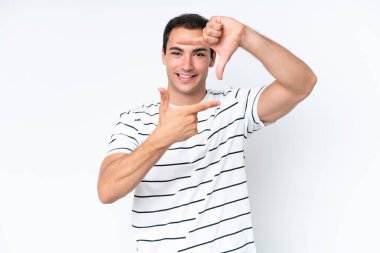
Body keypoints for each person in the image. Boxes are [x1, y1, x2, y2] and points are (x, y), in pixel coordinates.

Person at [97, 14, 317, 253]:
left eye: (199, 54)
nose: (187, 65)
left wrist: (245, 36)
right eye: (177, 52)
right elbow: (107, 190)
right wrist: (162, 138)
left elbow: (302, 84)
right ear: (163, 56)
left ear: (213, 58)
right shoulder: (134, 120)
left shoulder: (233, 107)